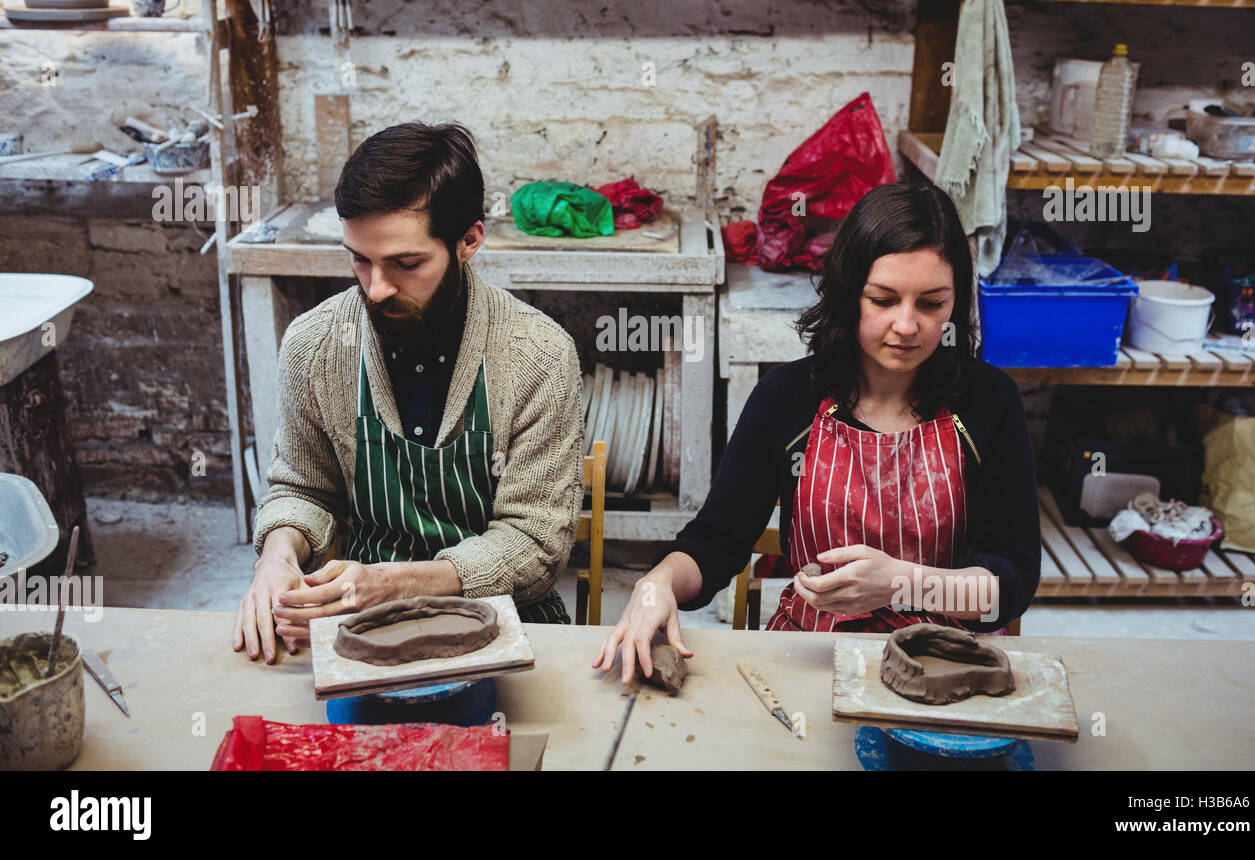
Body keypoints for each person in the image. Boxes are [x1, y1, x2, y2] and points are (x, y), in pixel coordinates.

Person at [595, 181, 1040, 683]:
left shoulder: (987, 402)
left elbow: (1013, 580)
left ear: (956, 305)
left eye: (932, 304)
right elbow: (717, 542)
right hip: (812, 656)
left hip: (946, 663)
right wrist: (657, 582)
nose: (908, 325)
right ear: (850, 293)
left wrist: (902, 583)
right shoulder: (789, 396)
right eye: (883, 299)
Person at [233, 122, 585, 664]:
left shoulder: (539, 356)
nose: (376, 288)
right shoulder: (314, 344)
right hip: (359, 623)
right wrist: (276, 557)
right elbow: (302, 489)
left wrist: (398, 583)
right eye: (359, 259)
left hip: (500, 620)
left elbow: (536, 546)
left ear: (469, 240)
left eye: (406, 263)